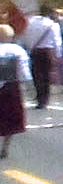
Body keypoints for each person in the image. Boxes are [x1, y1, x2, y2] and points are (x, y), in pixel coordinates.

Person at [21, 5, 59, 109]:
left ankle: (39, 96)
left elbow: (26, 36)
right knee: (46, 75)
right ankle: (44, 99)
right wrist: (58, 55)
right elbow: (57, 41)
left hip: (34, 50)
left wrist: (29, 47)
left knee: (36, 75)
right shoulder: (52, 24)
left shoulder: (30, 22)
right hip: (47, 51)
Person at [0, 26, 28, 158]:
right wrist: (28, 83)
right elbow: (23, 69)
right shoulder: (17, 50)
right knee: (10, 116)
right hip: (11, 86)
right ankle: (5, 146)